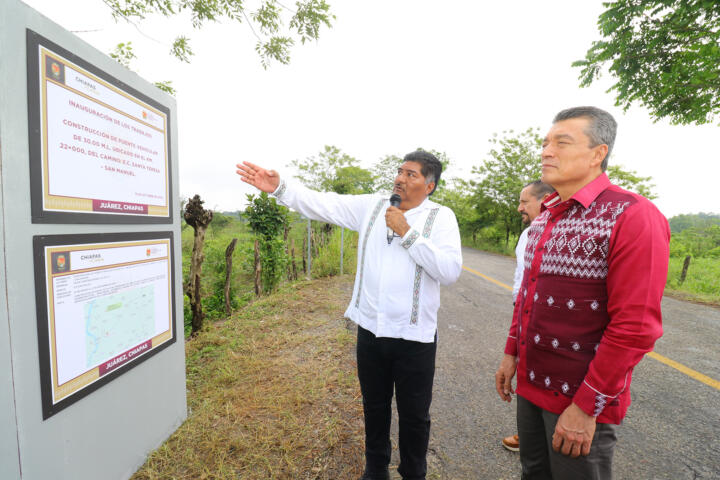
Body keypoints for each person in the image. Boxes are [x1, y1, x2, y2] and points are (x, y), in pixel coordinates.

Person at [236, 150, 462, 480]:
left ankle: (414, 471)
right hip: (371, 330)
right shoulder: (372, 206)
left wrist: (407, 233)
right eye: (399, 171)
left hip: (415, 337)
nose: (400, 178)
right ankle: (375, 468)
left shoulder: (441, 217)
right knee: (374, 406)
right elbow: (325, 203)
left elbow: (450, 271)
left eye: (411, 174)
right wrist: (282, 187)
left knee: (414, 415)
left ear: (429, 186)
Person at [494, 106, 670, 479]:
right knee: (533, 472)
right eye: (544, 143)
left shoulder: (632, 215)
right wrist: (511, 353)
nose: (546, 151)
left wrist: (586, 406)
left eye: (561, 142)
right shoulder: (546, 217)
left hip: (579, 401)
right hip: (531, 386)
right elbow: (527, 293)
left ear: (597, 153)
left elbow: (635, 327)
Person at [503, 180, 555, 453]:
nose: (519, 207)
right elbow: (521, 276)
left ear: (545, 199)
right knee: (526, 371)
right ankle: (531, 434)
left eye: (525, 202)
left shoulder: (558, 231)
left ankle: (543, 437)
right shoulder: (528, 233)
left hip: (543, 317)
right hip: (523, 312)